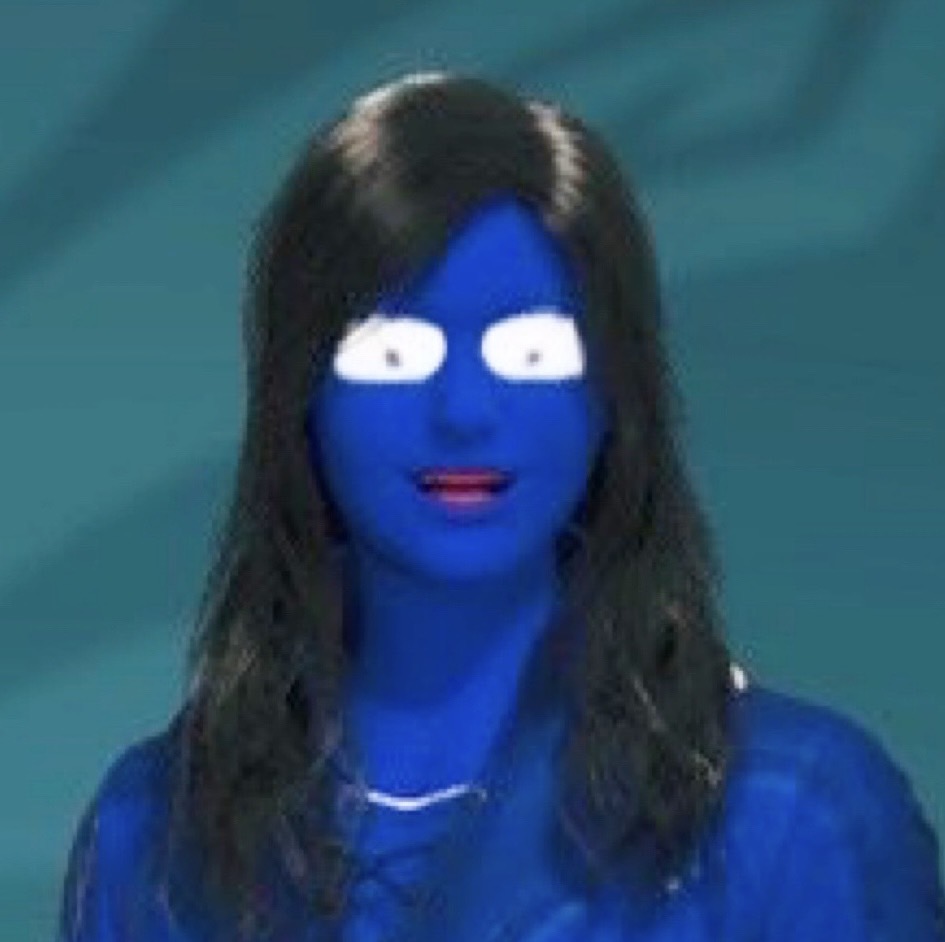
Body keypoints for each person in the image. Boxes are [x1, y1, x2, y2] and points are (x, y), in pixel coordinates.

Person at [57, 71, 945, 942]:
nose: (463, 412)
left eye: (530, 353)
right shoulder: (150, 837)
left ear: (613, 394)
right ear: (300, 395)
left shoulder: (793, 810)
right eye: (393, 353)